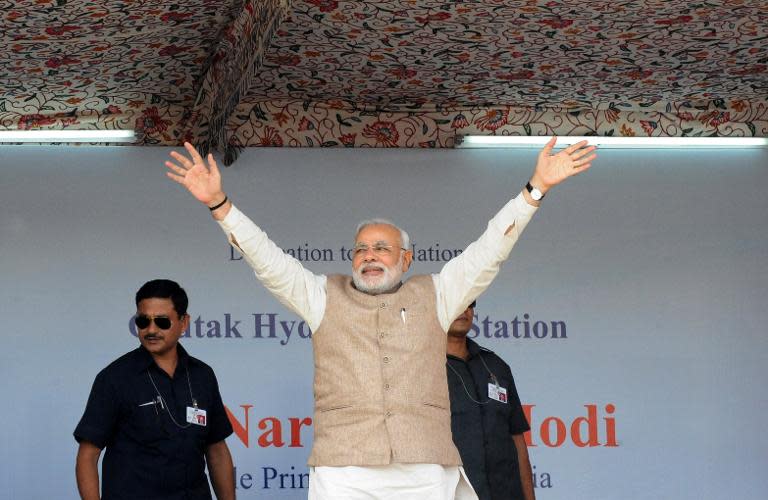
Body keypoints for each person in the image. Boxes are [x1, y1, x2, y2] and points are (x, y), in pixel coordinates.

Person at [164, 137, 595, 499]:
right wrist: (219, 204)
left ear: (406, 258)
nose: (370, 256)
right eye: (361, 249)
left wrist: (535, 189)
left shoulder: (438, 295)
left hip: (424, 470)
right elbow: (266, 259)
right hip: (344, 471)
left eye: (382, 249)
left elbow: (489, 250)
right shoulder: (321, 296)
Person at [74, 279, 235, 500]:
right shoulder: (114, 378)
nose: (151, 330)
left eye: (162, 322)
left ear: (184, 322)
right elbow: (87, 456)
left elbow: (217, 450)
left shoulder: (202, 376)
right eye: (143, 321)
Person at [446, 301, 535, 500]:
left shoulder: (496, 366)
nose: (463, 309)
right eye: (456, 301)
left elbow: (517, 441)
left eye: (469, 304)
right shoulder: (424, 371)